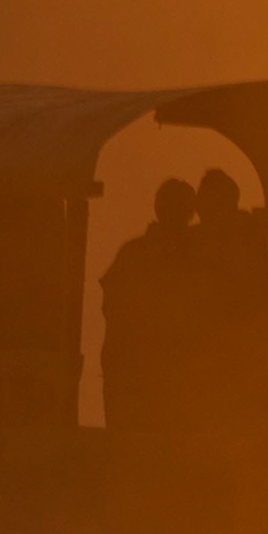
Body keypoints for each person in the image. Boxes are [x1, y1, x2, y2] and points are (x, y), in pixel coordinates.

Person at [189, 168, 268, 430]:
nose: (207, 212)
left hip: (254, 381)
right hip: (208, 384)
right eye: (205, 205)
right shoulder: (189, 255)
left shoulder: (259, 260)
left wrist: (267, 343)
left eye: (214, 204)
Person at [99, 178, 200, 434]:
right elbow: (114, 308)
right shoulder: (195, 257)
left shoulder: (135, 253)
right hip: (140, 370)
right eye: (173, 205)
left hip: (168, 373)